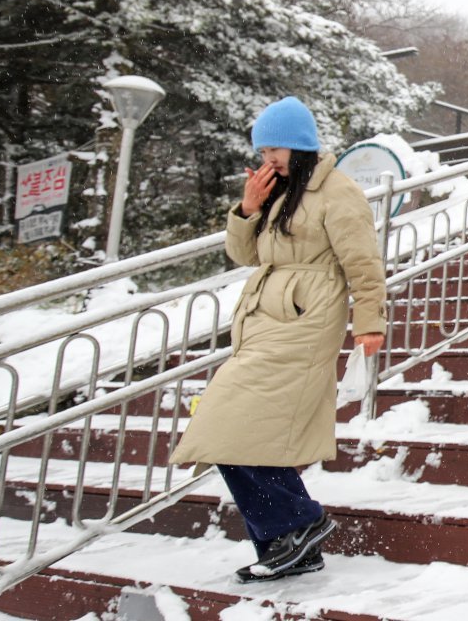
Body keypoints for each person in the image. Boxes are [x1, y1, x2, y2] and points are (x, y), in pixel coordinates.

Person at [171, 96, 387, 584]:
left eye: (275, 150)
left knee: (230, 423)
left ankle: (298, 524)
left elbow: (363, 261)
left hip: (306, 320)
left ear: (300, 146)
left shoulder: (337, 191)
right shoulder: (280, 192)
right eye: (263, 151)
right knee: (237, 431)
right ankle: (288, 544)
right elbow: (247, 255)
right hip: (264, 320)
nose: (268, 159)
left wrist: (369, 321)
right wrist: (248, 209)